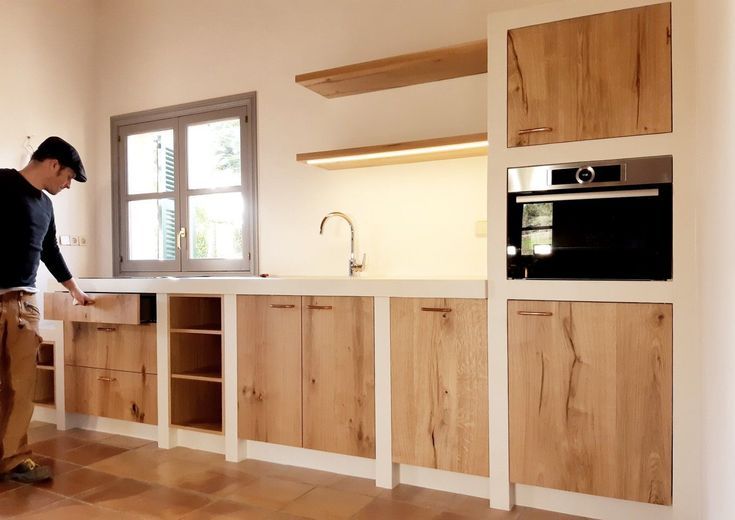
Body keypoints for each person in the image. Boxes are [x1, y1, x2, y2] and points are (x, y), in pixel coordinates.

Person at [0, 136, 94, 483]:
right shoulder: (2, 183)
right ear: (52, 164)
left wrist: (75, 290)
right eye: (68, 177)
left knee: (21, 385)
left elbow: (49, 251)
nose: (67, 185)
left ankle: (13, 458)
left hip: (25, 303)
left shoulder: (45, 206)